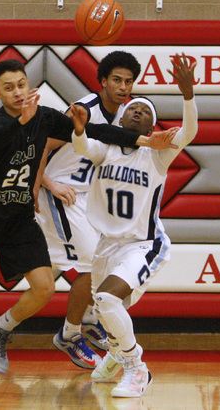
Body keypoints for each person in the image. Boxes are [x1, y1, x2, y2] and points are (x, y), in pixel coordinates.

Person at [0, 59, 174, 389]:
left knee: (44, 287)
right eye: (9, 87)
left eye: (21, 84)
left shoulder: (44, 117)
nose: (17, 92)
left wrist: (139, 140)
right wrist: (23, 126)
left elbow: (98, 133)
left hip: (19, 218)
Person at [69, 53, 198, 398]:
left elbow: (189, 132)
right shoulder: (107, 147)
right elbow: (82, 146)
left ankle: (135, 367)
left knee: (108, 300)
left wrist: (188, 95)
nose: (138, 111)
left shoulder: (158, 153)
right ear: (121, 118)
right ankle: (114, 352)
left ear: (152, 127)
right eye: (132, 109)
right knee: (105, 307)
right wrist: (80, 128)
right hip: (106, 245)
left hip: (143, 242)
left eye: (146, 112)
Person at [36, 51, 142, 369]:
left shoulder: (127, 114)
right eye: (117, 80)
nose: (123, 86)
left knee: (112, 262)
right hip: (62, 193)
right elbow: (41, 143)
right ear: (103, 82)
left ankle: (93, 319)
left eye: (129, 81)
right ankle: (69, 334)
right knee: (86, 264)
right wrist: (46, 183)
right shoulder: (84, 111)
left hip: (92, 199)